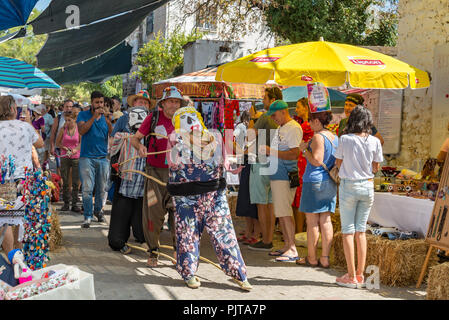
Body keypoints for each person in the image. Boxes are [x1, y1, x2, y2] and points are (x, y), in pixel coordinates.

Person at [167, 107, 252, 290]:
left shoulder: (215, 137)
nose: (189, 121)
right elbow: (174, 165)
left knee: (224, 234)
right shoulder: (175, 140)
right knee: (187, 235)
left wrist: (232, 166)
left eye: (192, 117)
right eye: (183, 118)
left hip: (214, 196)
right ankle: (188, 273)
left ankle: (239, 274)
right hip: (186, 197)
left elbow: (226, 161)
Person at [130, 86, 186, 267]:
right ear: (163, 103)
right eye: (170, 101)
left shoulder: (185, 121)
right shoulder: (152, 118)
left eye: (177, 101)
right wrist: (140, 147)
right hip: (154, 174)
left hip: (178, 175)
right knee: (153, 213)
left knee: (178, 214)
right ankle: (153, 251)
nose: (174, 105)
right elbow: (134, 139)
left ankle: (179, 251)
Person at [334, 106, 383, 288]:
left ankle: (351, 275)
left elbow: (338, 163)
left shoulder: (345, 139)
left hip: (349, 185)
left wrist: (350, 166)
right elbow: (376, 167)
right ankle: (361, 275)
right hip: (368, 185)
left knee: (348, 231)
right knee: (361, 231)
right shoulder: (375, 141)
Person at [107, 91, 152, 255]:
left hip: (145, 174)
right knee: (122, 209)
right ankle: (118, 242)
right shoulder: (124, 119)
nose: (142, 104)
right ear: (134, 104)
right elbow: (111, 142)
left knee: (143, 209)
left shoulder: (152, 121)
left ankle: (143, 239)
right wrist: (126, 138)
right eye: (139, 101)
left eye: (145, 103)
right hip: (126, 172)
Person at [0, 95, 44, 254]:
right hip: (24, 180)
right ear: (13, 109)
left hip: (3, 179)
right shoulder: (25, 127)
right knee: (20, 220)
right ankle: (18, 257)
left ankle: (10, 257)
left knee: (4, 221)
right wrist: (30, 124)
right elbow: (40, 143)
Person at [259, 100, 302, 261]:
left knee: (284, 212)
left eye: (275, 115)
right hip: (278, 175)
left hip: (285, 175)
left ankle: (292, 248)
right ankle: (287, 245)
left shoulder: (293, 128)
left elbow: (294, 154)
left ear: (284, 111)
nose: (273, 118)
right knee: (281, 212)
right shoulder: (281, 128)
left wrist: (271, 151)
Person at [297, 110, 338, 268]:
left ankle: (312, 257)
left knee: (312, 221)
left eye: (310, 120)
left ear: (316, 121)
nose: (308, 123)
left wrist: (305, 150)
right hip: (330, 181)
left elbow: (316, 160)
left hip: (315, 181)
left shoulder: (318, 137)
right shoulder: (335, 137)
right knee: (326, 220)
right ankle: (325, 258)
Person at [248, 87, 280, 252]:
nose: (263, 101)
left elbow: (249, 135)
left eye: (265, 98)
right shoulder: (281, 117)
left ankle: (265, 239)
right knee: (270, 203)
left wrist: (253, 118)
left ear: (272, 99)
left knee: (262, 204)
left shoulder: (265, 117)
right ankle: (269, 238)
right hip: (275, 161)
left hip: (261, 161)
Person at [77, 91, 112, 228]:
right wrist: (94, 117)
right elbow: (82, 131)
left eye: (101, 102)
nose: (99, 105)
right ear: (92, 102)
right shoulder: (83, 115)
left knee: (101, 188)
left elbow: (112, 132)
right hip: (87, 157)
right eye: (97, 102)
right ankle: (88, 215)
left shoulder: (105, 117)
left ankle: (99, 211)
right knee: (87, 188)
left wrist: (107, 118)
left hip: (103, 158)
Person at [234, 111, 260, 245]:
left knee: (252, 202)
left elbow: (246, 151)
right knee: (245, 200)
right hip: (246, 167)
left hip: (253, 168)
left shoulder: (257, 138)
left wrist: (236, 148)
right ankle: (249, 231)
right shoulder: (249, 137)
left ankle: (256, 233)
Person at [292, 98, 314, 233]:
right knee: (298, 198)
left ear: (306, 107)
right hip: (301, 163)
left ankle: (299, 231)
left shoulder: (306, 126)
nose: (296, 109)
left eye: (298, 107)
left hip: (303, 164)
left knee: (299, 199)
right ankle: (298, 230)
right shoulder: (305, 125)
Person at [56, 112, 81, 213]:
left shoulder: (79, 129)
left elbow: (81, 142)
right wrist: (64, 148)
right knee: (65, 180)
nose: (67, 122)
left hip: (76, 156)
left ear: (75, 120)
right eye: (66, 120)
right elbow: (58, 143)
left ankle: (74, 204)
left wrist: (75, 149)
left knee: (75, 181)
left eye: (69, 120)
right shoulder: (63, 129)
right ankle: (66, 203)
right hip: (65, 156)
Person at [49, 99, 74, 175]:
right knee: (59, 166)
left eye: (70, 107)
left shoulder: (75, 118)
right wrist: (52, 146)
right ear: (63, 107)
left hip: (72, 147)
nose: (69, 108)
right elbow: (53, 133)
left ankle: (68, 184)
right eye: (67, 107)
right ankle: (60, 183)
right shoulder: (58, 118)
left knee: (70, 168)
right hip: (59, 147)